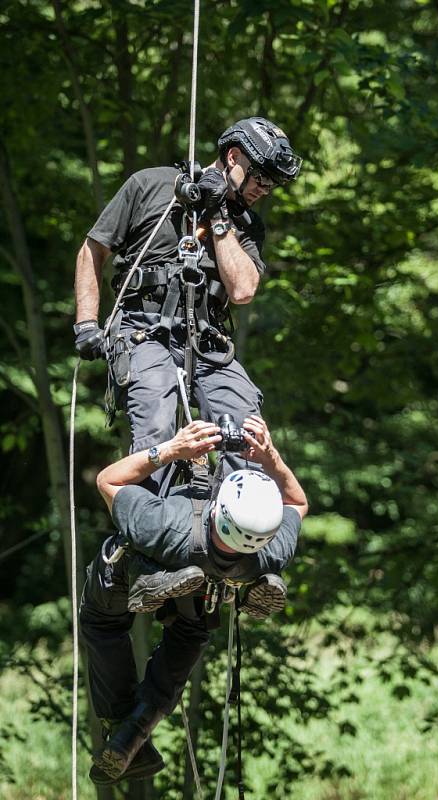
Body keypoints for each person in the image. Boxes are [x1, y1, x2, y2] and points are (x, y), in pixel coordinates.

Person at [73, 117, 302, 495]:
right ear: (233, 157)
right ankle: (150, 530)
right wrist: (86, 323)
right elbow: (92, 249)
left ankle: (233, 534)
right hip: (142, 330)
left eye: (273, 182)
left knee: (247, 430)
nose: (266, 188)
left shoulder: (245, 224)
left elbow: (243, 290)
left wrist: (218, 215)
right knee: (157, 427)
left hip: (208, 341)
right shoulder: (149, 185)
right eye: (261, 177)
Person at [80, 415, 308, 786]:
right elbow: (297, 503)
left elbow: (107, 479)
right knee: (190, 631)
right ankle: (132, 734)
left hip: (125, 577)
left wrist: (169, 450)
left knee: (102, 626)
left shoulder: (167, 522)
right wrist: (272, 458)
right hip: (214, 588)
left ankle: (152, 576)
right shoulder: (270, 549)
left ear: (218, 508)